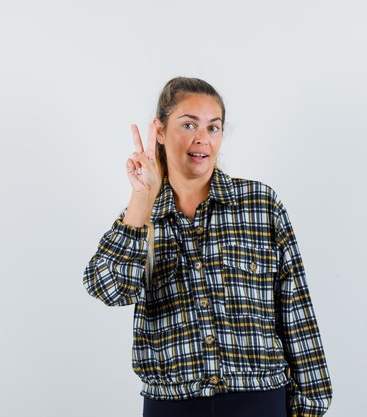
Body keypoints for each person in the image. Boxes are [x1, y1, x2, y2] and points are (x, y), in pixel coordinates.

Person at [82, 77, 332, 417]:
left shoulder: (260, 204)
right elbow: (108, 289)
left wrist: (309, 406)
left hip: (258, 400)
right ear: (159, 130)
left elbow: (295, 308)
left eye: (213, 128)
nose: (202, 139)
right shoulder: (141, 217)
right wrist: (141, 198)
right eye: (188, 125)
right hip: (171, 404)